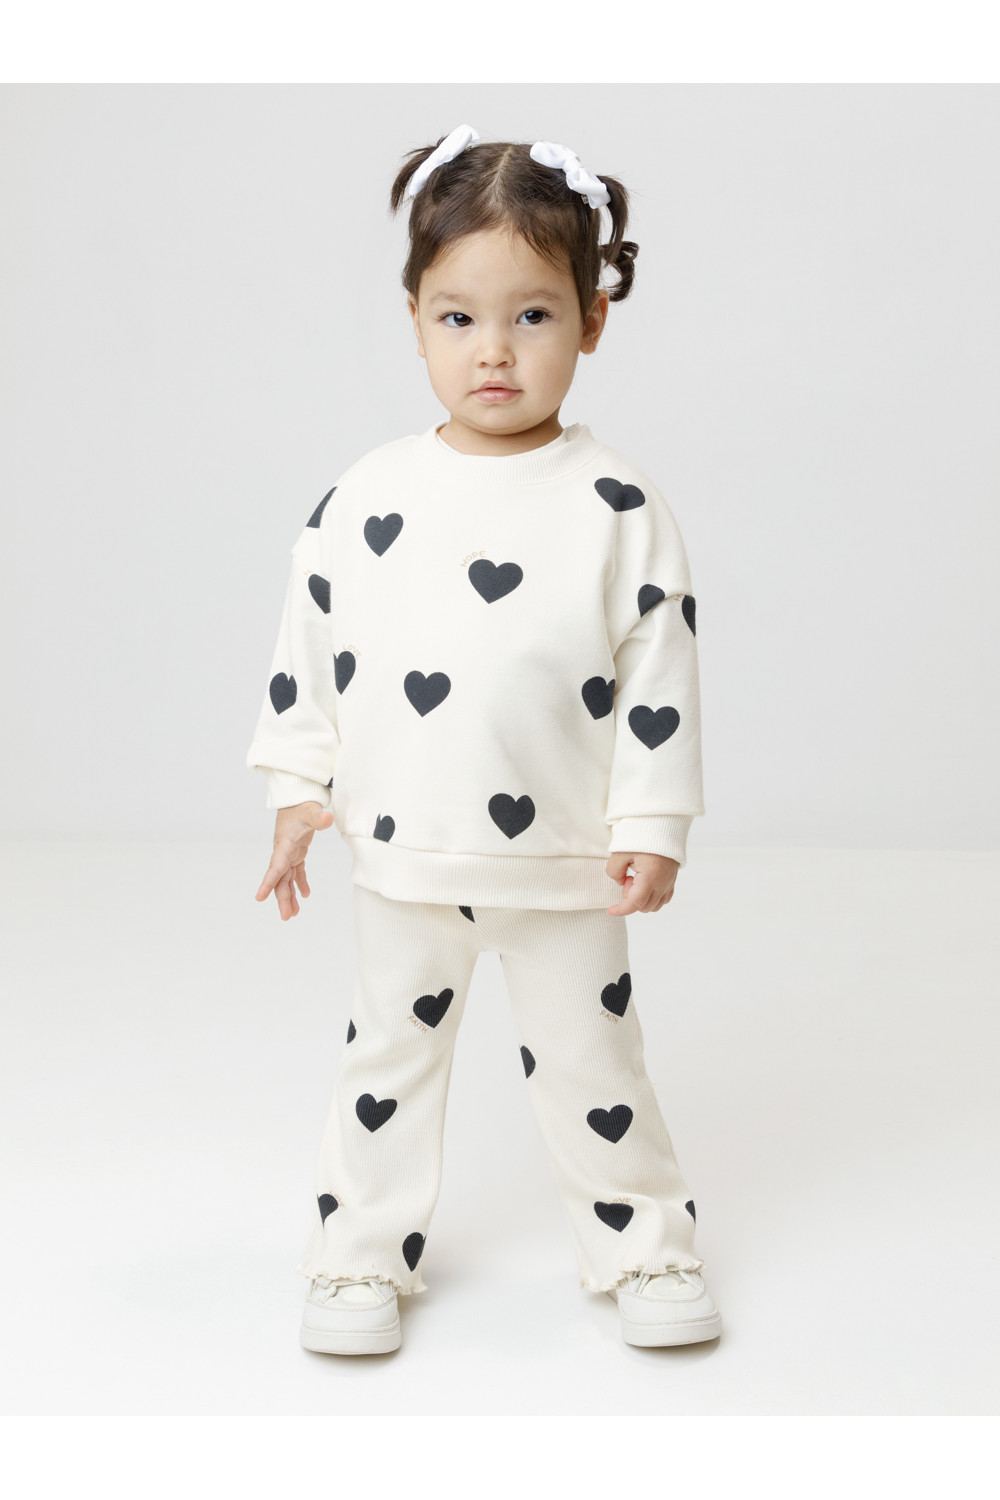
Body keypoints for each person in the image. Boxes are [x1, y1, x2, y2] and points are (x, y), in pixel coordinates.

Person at [245, 123, 723, 1357]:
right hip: (407, 858)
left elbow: (660, 678)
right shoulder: (366, 496)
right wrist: (297, 788)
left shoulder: (619, 506)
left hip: (567, 862)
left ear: (593, 321)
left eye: (533, 316)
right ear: (413, 321)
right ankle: (357, 1261)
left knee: (595, 1064)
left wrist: (652, 824)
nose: (494, 350)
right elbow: (313, 646)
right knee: (386, 1066)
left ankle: (645, 1248)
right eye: (457, 318)